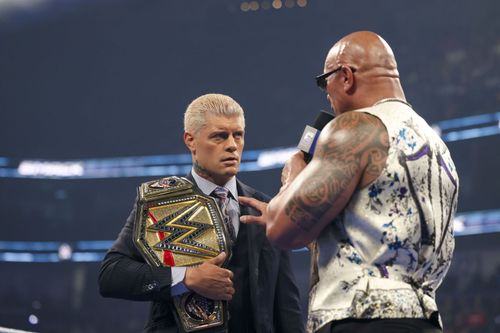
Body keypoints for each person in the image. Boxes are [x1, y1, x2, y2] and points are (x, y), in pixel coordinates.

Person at [239, 31, 459, 333]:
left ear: (345, 76)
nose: (326, 93)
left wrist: (294, 176)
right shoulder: (437, 146)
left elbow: (283, 231)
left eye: (324, 81)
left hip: (359, 317)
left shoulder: (356, 128)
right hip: (425, 319)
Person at [99, 93, 304, 333]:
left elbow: (287, 307)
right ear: (190, 140)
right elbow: (111, 275)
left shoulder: (264, 207)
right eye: (219, 136)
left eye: (238, 135)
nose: (232, 145)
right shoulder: (161, 202)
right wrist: (186, 278)